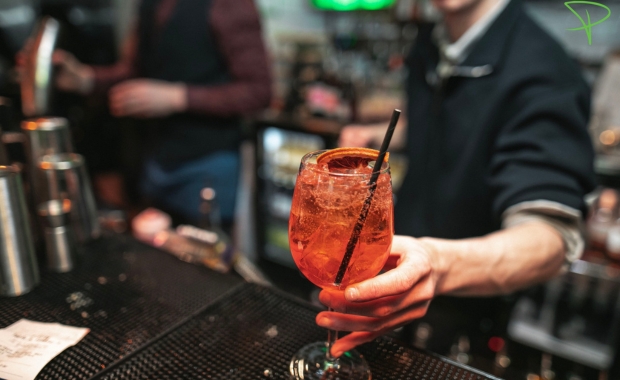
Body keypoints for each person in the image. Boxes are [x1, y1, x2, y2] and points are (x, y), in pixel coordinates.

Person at [325, 0, 596, 357]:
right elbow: (447, 123)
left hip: (468, 306)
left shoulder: (544, 69)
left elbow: (550, 235)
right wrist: (376, 136)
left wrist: (436, 264)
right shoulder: (430, 44)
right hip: (398, 266)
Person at [48, 0, 271, 229]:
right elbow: (135, 71)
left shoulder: (230, 5)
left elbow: (259, 91)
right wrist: (85, 79)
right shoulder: (150, 5)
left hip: (208, 167)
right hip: (156, 161)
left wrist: (177, 97)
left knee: (203, 256)